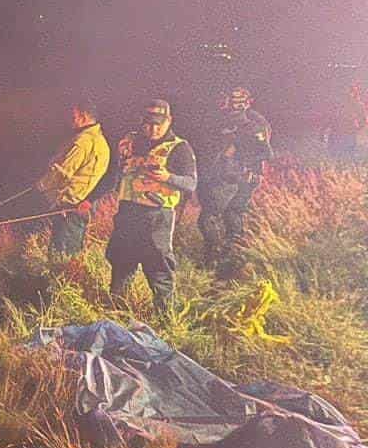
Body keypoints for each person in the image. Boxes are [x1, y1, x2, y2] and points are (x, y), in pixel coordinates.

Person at [104, 99, 197, 314]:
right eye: (148, 124)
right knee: (121, 263)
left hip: (157, 216)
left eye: (159, 124)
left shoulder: (179, 147)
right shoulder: (131, 142)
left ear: (169, 121)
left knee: (158, 268)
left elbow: (191, 183)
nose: (153, 129)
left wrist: (168, 177)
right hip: (127, 212)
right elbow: (115, 175)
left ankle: (166, 318)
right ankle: (117, 312)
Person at [197, 87, 272, 270]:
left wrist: (236, 157)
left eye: (236, 101)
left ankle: (216, 254)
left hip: (237, 178)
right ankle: (231, 255)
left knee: (211, 217)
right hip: (224, 175)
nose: (231, 104)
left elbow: (265, 152)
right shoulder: (223, 120)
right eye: (230, 100)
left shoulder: (252, 124)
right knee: (231, 214)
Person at [36, 99, 111, 255]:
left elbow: (62, 171)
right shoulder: (99, 140)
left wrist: (39, 186)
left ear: (83, 117)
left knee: (61, 254)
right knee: (71, 252)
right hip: (80, 204)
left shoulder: (83, 141)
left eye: (73, 116)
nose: (69, 119)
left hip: (70, 204)